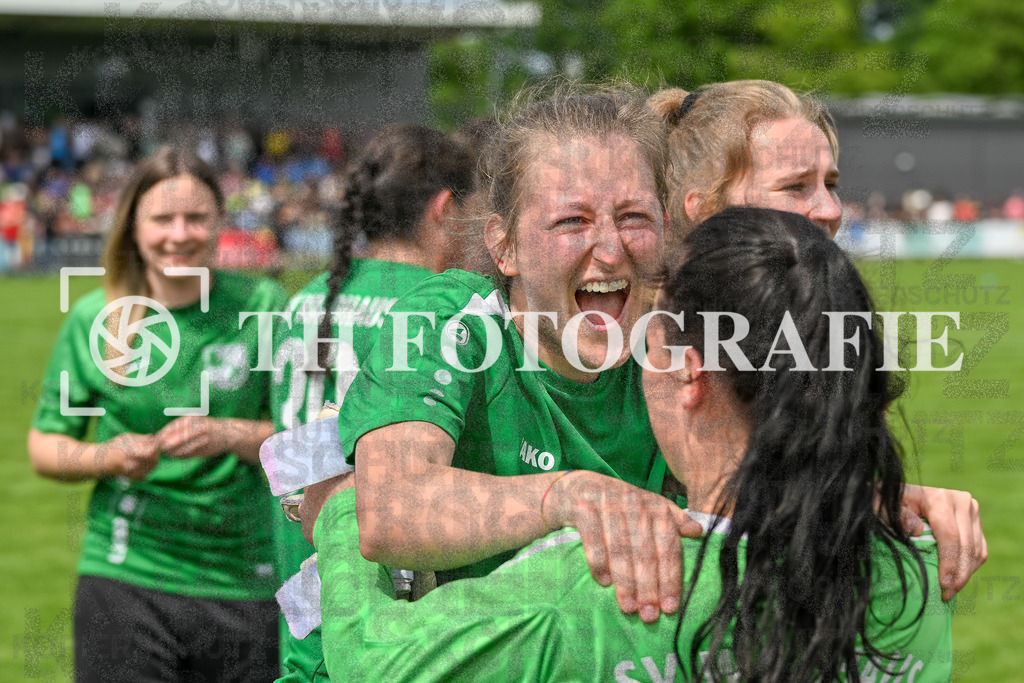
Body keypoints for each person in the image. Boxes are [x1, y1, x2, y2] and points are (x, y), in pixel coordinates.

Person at [298, 84, 983, 634]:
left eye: (633, 216)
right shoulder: (445, 318)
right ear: (503, 247)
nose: (610, 249)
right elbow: (388, 509)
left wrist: (890, 502)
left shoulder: (682, 343)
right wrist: (568, 494)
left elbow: (750, 490)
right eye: (572, 221)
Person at [313, 207, 955, 680]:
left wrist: (345, 509)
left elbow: (369, 658)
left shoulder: (602, 584)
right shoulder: (917, 574)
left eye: (649, 339)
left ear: (688, 371)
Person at [648, 82, 985, 598]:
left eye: (830, 182)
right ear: (703, 209)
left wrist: (889, 496)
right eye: (796, 187)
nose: (829, 209)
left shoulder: (825, 327)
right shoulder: (609, 341)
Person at [28, 146, 287, 682]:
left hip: (243, 580)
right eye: (162, 219)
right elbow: (45, 444)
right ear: (133, 226)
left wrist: (233, 434)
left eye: (196, 218)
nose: (179, 234)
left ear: (220, 223)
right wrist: (107, 456)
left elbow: (312, 436)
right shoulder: (95, 320)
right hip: (124, 576)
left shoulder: (263, 305)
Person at [270, 124, 474, 682]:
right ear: (446, 209)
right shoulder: (442, 312)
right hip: (386, 637)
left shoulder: (309, 300)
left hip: (305, 625)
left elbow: (284, 463)